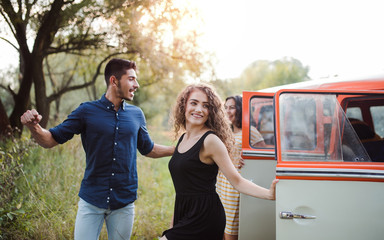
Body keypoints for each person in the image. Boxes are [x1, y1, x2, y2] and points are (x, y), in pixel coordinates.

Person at [20, 58, 174, 240]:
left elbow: (148, 149)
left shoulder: (136, 115)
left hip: (124, 202)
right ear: (114, 80)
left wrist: (178, 150)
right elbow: (50, 140)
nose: (137, 84)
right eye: (131, 79)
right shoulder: (86, 111)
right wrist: (34, 127)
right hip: (91, 200)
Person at [160, 84, 278, 240]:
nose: (199, 110)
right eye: (194, 103)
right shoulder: (183, 139)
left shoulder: (210, 141)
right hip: (184, 212)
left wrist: (269, 194)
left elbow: (237, 181)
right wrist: (174, 223)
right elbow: (183, 189)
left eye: (206, 106)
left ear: (211, 112)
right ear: (184, 105)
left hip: (205, 217)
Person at [216, 95, 266, 240]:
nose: (227, 111)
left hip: (234, 187)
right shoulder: (226, 131)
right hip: (221, 184)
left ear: (240, 109)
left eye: (232, 107)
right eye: (225, 108)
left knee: (231, 230)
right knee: (220, 225)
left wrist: (249, 160)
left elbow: (263, 157)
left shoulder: (250, 132)